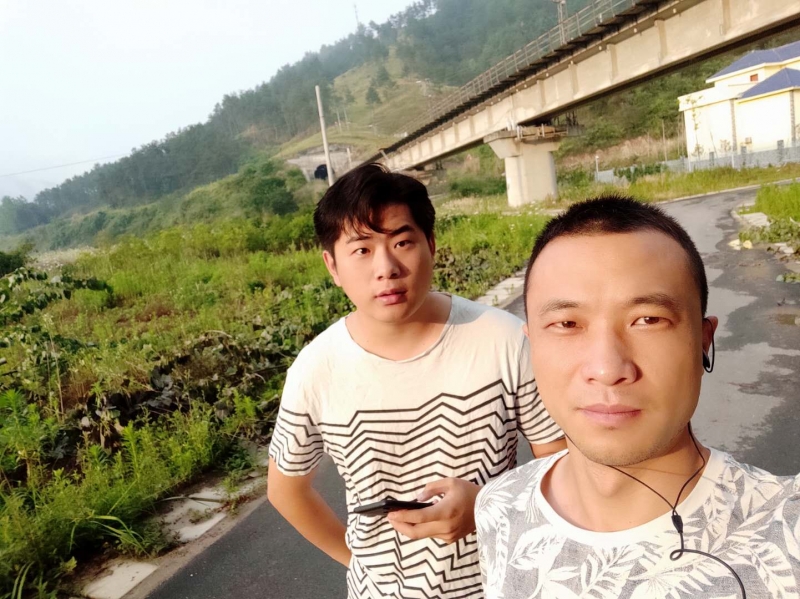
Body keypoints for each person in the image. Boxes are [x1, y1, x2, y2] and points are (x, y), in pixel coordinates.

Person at [476, 195, 800, 599]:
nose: (607, 368)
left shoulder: (786, 533)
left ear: (703, 342)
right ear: (532, 346)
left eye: (648, 319)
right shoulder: (499, 507)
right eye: (567, 323)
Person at [267, 163, 565, 599]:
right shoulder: (316, 370)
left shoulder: (504, 340)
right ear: (332, 265)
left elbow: (562, 465)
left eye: (402, 242)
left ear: (431, 245)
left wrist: (488, 507)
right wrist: (357, 562)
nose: (386, 268)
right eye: (361, 250)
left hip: (503, 587)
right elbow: (286, 490)